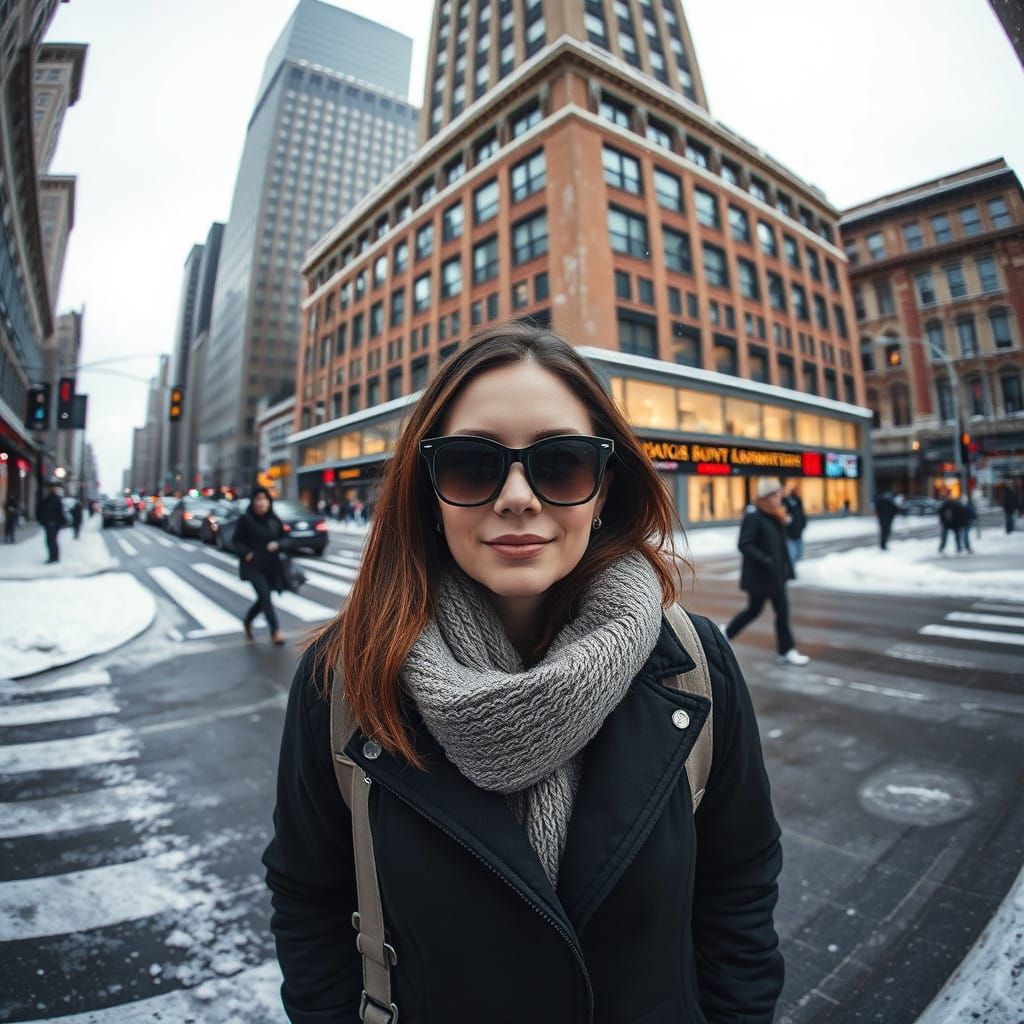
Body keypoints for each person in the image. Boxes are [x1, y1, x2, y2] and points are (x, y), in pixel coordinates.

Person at [263, 324, 784, 1023]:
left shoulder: (696, 665)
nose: (516, 496)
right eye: (472, 466)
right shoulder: (340, 680)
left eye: (561, 463)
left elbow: (738, 882)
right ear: (428, 492)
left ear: (605, 490)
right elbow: (308, 899)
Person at [724, 477, 810, 666]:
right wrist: (766, 560)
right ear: (767, 497)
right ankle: (726, 634)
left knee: (781, 612)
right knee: (754, 611)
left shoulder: (777, 515)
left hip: (776, 575)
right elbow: (744, 544)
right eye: (776, 495)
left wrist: (794, 509)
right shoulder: (755, 516)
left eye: (780, 494)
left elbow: (796, 531)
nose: (780, 498)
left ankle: (786, 650)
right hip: (761, 576)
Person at [233, 487, 286, 645]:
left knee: (262, 599)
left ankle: (248, 620)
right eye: (258, 499)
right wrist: (246, 553)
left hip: (271, 566)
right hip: (253, 566)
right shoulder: (246, 519)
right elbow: (236, 541)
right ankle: (275, 631)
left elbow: (285, 538)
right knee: (265, 596)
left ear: (269, 502)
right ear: (253, 502)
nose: (261, 502)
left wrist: (277, 543)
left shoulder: (274, 520)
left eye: (264, 499)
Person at [36, 483, 65, 564]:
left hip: (53, 523)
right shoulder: (46, 499)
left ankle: (54, 557)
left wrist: (57, 522)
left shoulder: (55, 499)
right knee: (49, 541)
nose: (47, 490)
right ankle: (52, 557)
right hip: (48, 523)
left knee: (52, 540)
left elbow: (58, 512)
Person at [782, 481, 806, 565]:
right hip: (790, 534)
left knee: (799, 553)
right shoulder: (785, 501)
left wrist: (803, 524)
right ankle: (791, 572)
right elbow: (784, 516)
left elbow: (801, 514)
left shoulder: (798, 500)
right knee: (792, 554)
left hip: (798, 532)